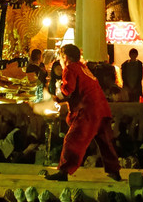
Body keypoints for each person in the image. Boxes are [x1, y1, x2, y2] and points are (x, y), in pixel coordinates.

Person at [45, 44, 122, 181]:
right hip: (102, 109)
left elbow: (68, 90)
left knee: (73, 140)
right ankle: (114, 171)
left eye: (60, 57)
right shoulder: (83, 67)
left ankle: (63, 171)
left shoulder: (70, 68)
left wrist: (57, 98)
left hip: (88, 110)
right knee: (105, 142)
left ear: (65, 57)